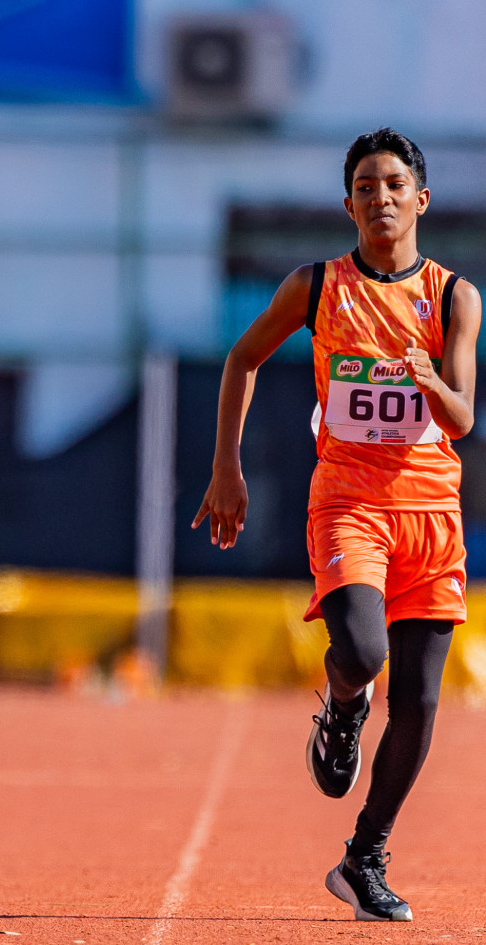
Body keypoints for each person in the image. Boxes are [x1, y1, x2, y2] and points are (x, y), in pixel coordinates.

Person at [194, 128, 478, 921]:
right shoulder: (317, 286)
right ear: (347, 204)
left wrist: (430, 379)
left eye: (394, 184)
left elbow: (459, 420)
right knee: (360, 650)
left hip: (429, 512)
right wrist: (227, 467)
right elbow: (242, 359)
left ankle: (365, 857)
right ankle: (344, 706)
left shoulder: (456, 297)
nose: (380, 197)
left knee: (420, 703)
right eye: (365, 186)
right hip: (349, 501)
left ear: (420, 199)